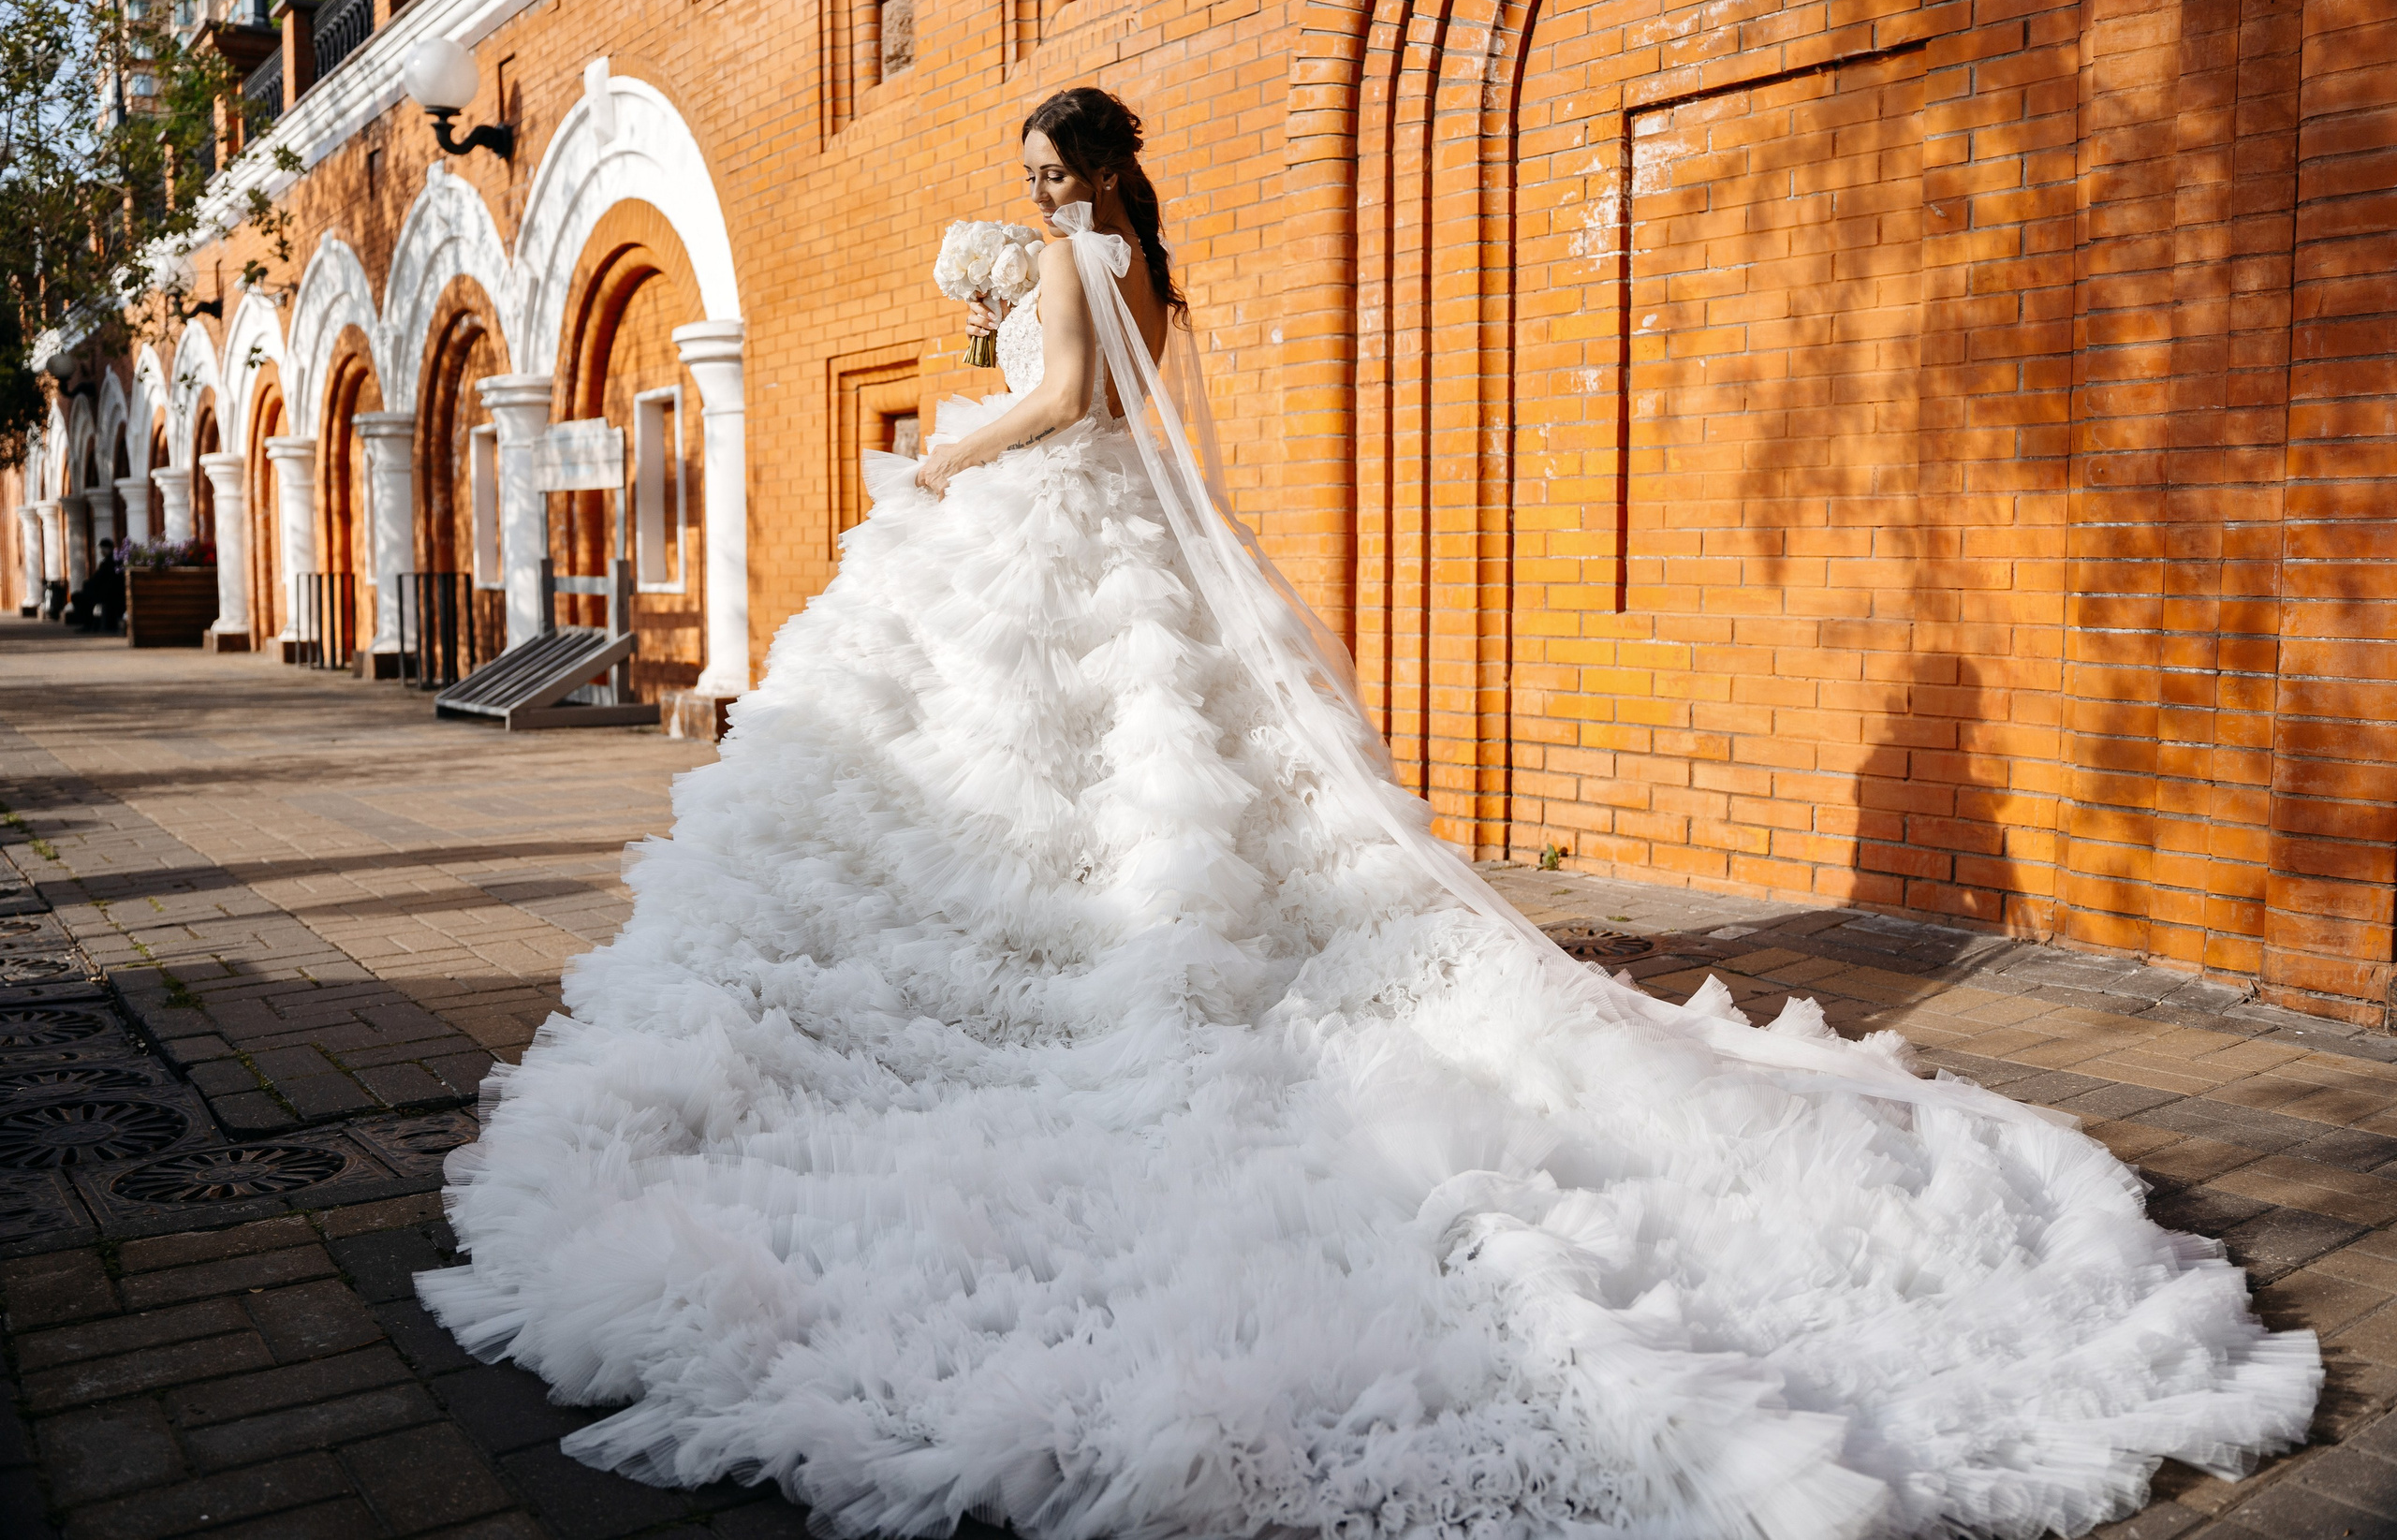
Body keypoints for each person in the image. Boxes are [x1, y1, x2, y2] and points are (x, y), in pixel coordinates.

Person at [418, 88, 2320, 1540]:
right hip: (1117, 567)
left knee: (1037, 790)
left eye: (1039, 164)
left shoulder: (1078, 274)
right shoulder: (1147, 268)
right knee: (1134, 785)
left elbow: (1065, 403)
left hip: (1041, 549)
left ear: (1078, 175)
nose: (1030, 190)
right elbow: (1116, 377)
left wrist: (931, 441)